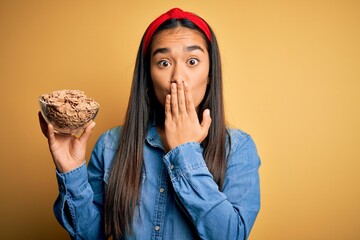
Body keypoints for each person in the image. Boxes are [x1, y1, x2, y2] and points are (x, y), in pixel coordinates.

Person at [39, 7, 261, 240]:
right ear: (148, 75)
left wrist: (185, 153)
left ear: (210, 74)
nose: (178, 77)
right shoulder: (110, 145)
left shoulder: (238, 147)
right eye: (164, 63)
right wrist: (71, 172)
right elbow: (91, 235)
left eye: (192, 61)